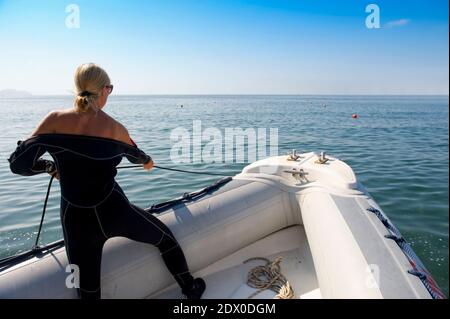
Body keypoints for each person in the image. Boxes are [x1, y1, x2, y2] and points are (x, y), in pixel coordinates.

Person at [8, 63, 206, 299]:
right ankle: (190, 289)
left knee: (88, 290)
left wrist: (50, 167)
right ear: (103, 90)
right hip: (115, 211)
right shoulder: (116, 129)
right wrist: (148, 162)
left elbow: (18, 164)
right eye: (109, 89)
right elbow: (137, 156)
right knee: (166, 240)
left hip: (76, 220)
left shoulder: (53, 120)